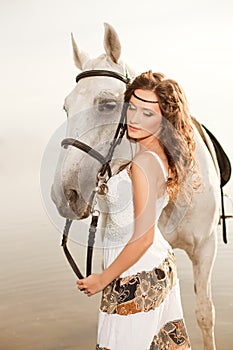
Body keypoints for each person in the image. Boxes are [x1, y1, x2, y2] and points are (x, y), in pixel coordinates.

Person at [77, 71, 197, 349]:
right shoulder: (157, 153)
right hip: (156, 264)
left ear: (164, 120)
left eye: (147, 113)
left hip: (136, 275)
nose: (134, 119)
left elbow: (141, 237)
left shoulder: (143, 163)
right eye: (132, 107)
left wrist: (101, 280)